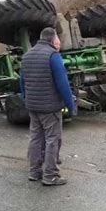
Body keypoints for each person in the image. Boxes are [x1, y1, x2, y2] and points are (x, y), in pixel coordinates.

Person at [19, 27, 76, 186]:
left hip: (33, 107)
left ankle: (34, 171)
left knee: (35, 138)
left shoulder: (27, 56)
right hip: (50, 108)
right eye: (58, 38)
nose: (59, 42)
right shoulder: (53, 56)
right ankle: (50, 175)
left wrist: (27, 99)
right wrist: (71, 105)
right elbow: (62, 84)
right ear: (52, 39)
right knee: (53, 139)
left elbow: (22, 82)